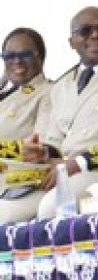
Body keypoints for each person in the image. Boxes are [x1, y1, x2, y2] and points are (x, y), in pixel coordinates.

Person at [2, 7, 98, 223]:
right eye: (85, 31)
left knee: (54, 207)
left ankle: (78, 259)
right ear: (72, 41)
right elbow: (55, 138)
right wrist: (43, 152)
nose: (95, 35)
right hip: (64, 174)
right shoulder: (62, 86)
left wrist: (78, 164)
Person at [0, 28, 53, 189]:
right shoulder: (6, 95)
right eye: (9, 56)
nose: (16, 61)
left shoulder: (49, 92)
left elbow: (40, 148)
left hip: (16, 180)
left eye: (25, 55)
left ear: (41, 57)